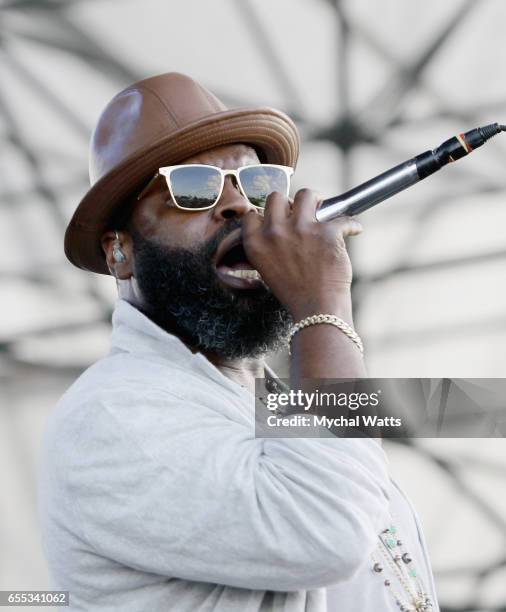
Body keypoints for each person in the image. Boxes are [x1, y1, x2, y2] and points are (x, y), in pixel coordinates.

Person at [38, 72, 439, 611]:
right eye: (195, 187)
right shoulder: (109, 416)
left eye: (256, 184)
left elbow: (458, 409)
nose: (240, 208)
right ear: (119, 251)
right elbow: (327, 532)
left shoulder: (274, 398)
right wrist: (323, 307)